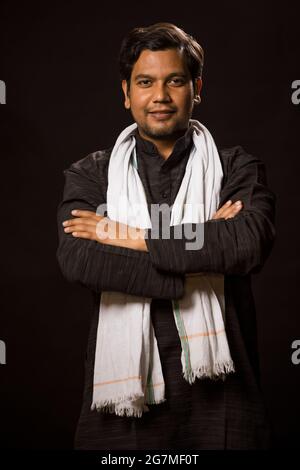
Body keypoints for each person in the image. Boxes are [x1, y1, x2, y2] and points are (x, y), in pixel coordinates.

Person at [56, 22, 276, 450]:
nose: (160, 96)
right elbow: (80, 259)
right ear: (126, 92)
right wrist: (200, 251)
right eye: (145, 82)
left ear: (196, 88)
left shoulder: (237, 168)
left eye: (175, 81)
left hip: (224, 402)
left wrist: (135, 237)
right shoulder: (91, 175)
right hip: (121, 408)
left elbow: (246, 243)